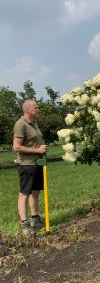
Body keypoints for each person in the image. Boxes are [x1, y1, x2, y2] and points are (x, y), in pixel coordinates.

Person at [13, 100, 48, 236]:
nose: (38, 109)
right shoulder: (21, 124)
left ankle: (35, 219)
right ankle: (25, 225)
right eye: (35, 107)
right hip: (26, 165)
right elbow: (16, 146)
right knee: (24, 194)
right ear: (27, 109)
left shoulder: (34, 123)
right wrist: (37, 150)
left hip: (37, 163)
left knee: (35, 192)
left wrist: (41, 150)